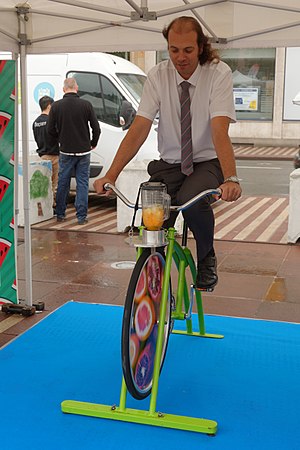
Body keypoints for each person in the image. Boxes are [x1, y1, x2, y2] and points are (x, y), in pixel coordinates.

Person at [93, 16, 242, 290]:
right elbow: (140, 127)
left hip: (206, 162)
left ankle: (207, 257)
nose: (180, 57)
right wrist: (110, 174)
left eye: (188, 50)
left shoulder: (218, 73)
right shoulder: (158, 75)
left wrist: (231, 177)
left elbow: (219, 130)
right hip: (170, 163)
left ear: (200, 47)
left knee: (191, 199)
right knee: (152, 217)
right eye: (174, 50)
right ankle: (155, 279)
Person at [47, 78, 101, 225]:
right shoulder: (86, 105)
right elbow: (96, 128)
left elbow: (49, 130)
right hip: (84, 151)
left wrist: (60, 140)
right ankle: (81, 217)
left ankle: (60, 213)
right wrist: (92, 143)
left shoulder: (56, 106)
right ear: (76, 88)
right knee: (82, 184)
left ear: (64, 89)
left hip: (65, 151)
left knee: (63, 183)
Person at [32, 95, 59, 212]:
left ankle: (43, 208)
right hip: (54, 156)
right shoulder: (51, 121)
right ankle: (52, 207)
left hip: (42, 156)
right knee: (54, 184)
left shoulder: (35, 122)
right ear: (49, 106)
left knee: (44, 183)